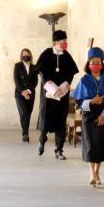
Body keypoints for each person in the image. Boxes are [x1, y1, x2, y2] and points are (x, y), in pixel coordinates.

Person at [72, 46, 104, 185]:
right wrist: (92, 101)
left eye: (98, 62)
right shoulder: (84, 80)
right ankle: (92, 173)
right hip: (89, 115)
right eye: (92, 62)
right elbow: (79, 102)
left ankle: (97, 171)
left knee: (101, 145)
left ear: (102, 63)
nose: (95, 64)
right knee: (90, 145)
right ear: (88, 64)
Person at [36, 29, 78, 159]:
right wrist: (53, 88)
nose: (65, 43)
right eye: (63, 41)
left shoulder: (67, 56)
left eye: (66, 41)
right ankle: (42, 140)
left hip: (62, 94)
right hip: (49, 94)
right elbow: (41, 72)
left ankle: (59, 150)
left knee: (61, 121)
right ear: (56, 42)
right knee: (46, 118)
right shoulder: (46, 54)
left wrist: (63, 86)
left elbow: (70, 73)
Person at [13, 48, 38, 142]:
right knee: (23, 113)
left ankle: (25, 132)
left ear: (30, 55)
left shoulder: (34, 67)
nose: (25, 55)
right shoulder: (17, 66)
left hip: (31, 94)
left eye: (27, 54)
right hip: (19, 94)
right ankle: (25, 133)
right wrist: (23, 92)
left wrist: (28, 91)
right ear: (21, 56)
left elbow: (35, 81)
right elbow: (16, 80)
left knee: (28, 113)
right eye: (24, 54)